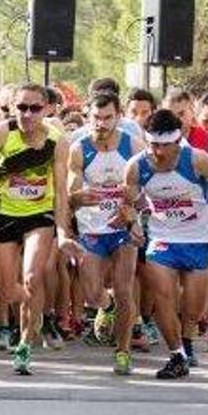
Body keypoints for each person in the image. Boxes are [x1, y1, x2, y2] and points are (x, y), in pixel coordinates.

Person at [0, 83, 73, 375]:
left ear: (47, 109)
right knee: (6, 291)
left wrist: (63, 231)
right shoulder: (2, 132)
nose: (27, 114)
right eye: (21, 108)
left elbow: (62, 193)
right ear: (13, 108)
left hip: (39, 215)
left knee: (31, 276)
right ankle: (36, 308)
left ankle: (26, 344)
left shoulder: (57, 141)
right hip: (3, 216)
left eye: (35, 108)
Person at [123, 109, 208, 379]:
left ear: (178, 140)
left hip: (199, 240)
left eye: (164, 145)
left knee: (192, 311)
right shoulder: (137, 166)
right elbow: (127, 202)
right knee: (163, 298)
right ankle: (176, 355)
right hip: (163, 239)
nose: (157, 152)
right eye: (152, 145)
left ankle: (186, 340)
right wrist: (132, 223)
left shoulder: (197, 160)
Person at [65, 92, 145, 375]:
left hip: (121, 228)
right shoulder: (79, 148)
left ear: (118, 117)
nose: (101, 123)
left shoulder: (133, 145)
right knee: (92, 292)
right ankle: (105, 305)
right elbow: (69, 196)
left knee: (124, 289)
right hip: (92, 228)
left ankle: (122, 351)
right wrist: (77, 198)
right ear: (88, 117)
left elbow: (145, 191)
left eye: (107, 117)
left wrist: (133, 215)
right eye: (96, 118)